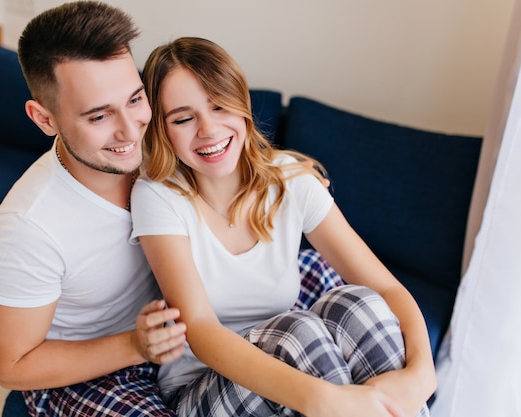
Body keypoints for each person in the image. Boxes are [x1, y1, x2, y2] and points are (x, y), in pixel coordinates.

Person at [131, 37, 437, 417]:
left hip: (299, 361)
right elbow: (200, 328)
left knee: (357, 304)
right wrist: (324, 399)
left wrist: (423, 372)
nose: (208, 129)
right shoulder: (157, 196)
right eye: (183, 118)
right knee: (300, 332)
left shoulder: (293, 182)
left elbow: (386, 286)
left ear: (242, 105)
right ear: (161, 130)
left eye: (219, 105)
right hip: (201, 384)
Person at [0, 2, 188, 416]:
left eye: (135, 98)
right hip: (87, 368)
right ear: (44, 119)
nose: (130, 130)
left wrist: (283, 173)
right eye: (99, 115)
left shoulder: (156, 134)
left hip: (177, 324)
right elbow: (11, 366)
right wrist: (134, 345)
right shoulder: (25, 229)